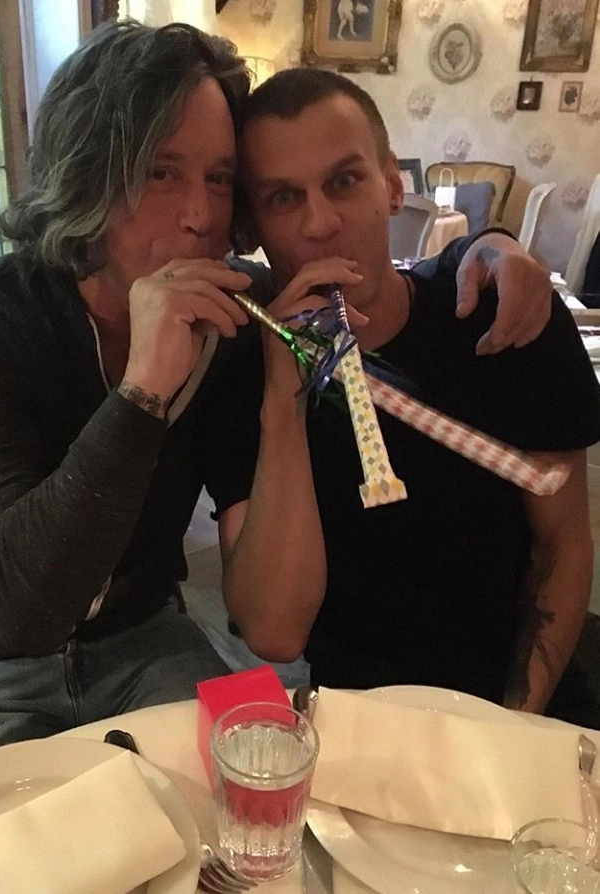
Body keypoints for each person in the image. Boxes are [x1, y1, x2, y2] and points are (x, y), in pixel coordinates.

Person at [0, 20, 555, 789]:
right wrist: (144, 388)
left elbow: (369, 273)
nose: (201, 215)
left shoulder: (239, 313)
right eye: (160, 171)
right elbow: (20, 610)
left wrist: (487, 247)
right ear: (88, 169)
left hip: (146, 639)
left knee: (267, 792)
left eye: (218, 178)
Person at [212, 68, 600, 720]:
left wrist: (511, 722)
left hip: (525, 710)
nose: (320, 223)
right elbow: (274, 632)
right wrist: (284, 399)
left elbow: (562, 545)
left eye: (344, 181)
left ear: (393, 185)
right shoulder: (243, 371)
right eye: (283, 198)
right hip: (363, 722)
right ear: (253, 226)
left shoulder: (503, 317)